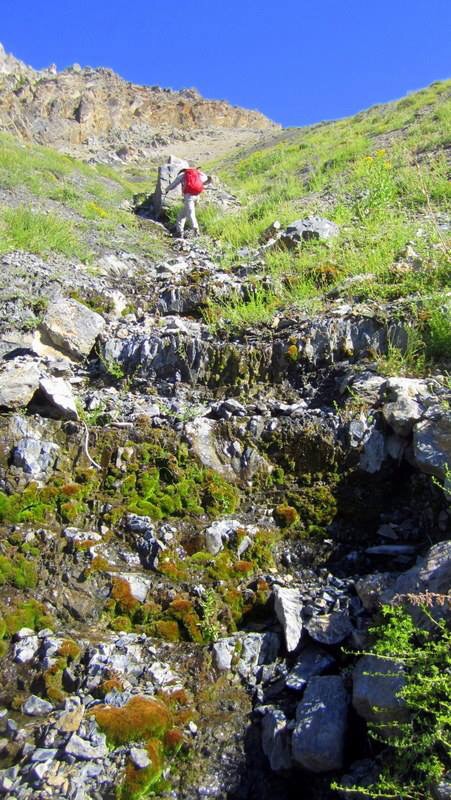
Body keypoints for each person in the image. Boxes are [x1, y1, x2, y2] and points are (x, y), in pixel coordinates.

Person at [165, 166, 212, 238]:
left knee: (191, 214)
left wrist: (167, 189)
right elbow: (207, 181)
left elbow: (174, 184)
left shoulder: (183, 174)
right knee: (181, 215)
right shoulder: (198, 173)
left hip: (189, 197)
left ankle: (196, 230)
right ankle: (179, 232)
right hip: (197, 196)